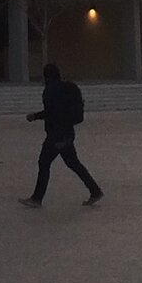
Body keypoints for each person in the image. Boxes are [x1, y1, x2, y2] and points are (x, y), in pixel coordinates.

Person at [21, 64, 102, 207]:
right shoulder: (68, 88)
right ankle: (95, 191)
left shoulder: (50, 91)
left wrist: (35, 116)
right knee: (73, 163)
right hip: (67, 133)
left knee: (44, 163)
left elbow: (52, 112)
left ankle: (37, 198)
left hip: (55, 135)